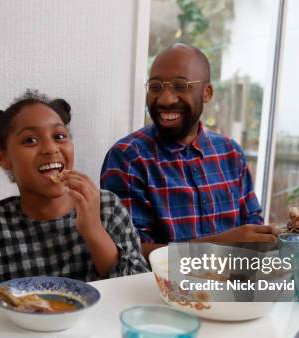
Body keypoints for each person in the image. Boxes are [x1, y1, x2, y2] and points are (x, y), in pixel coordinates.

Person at [0, 90, 148, 302]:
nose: (50, 148)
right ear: (2, 157)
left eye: (59, 136)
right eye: (30, 140)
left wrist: (93, 229)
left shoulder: (108, 208)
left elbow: (134, 294)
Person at [100, 44, 282, 258]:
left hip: (234, 288)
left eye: (180, 86)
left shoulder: (230, 153)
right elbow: (128, 253)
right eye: (156, 87)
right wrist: (221, 246)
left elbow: (253, 231)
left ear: (207, 93)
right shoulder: (128, 158)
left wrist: (293, 237)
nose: (165, 99)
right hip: (159, 291)